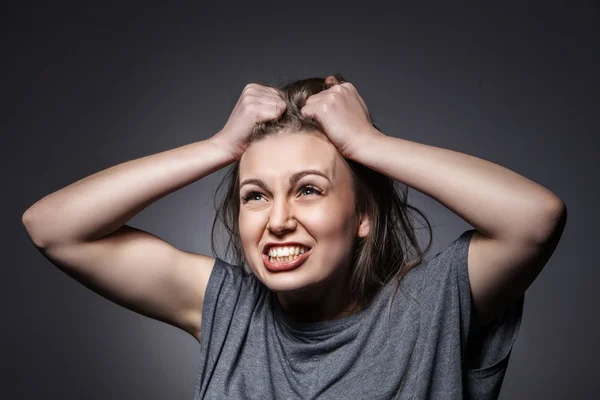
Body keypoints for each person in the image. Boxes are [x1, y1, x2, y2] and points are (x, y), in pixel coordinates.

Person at [22, 74, 567, 399]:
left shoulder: (434, 305)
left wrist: (369, 144)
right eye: (255, 195)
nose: (277, 219)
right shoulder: (228, 308)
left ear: (363, 217)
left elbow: (534, 219)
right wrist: (218, 148)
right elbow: (52, 227)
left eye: (308, 190)